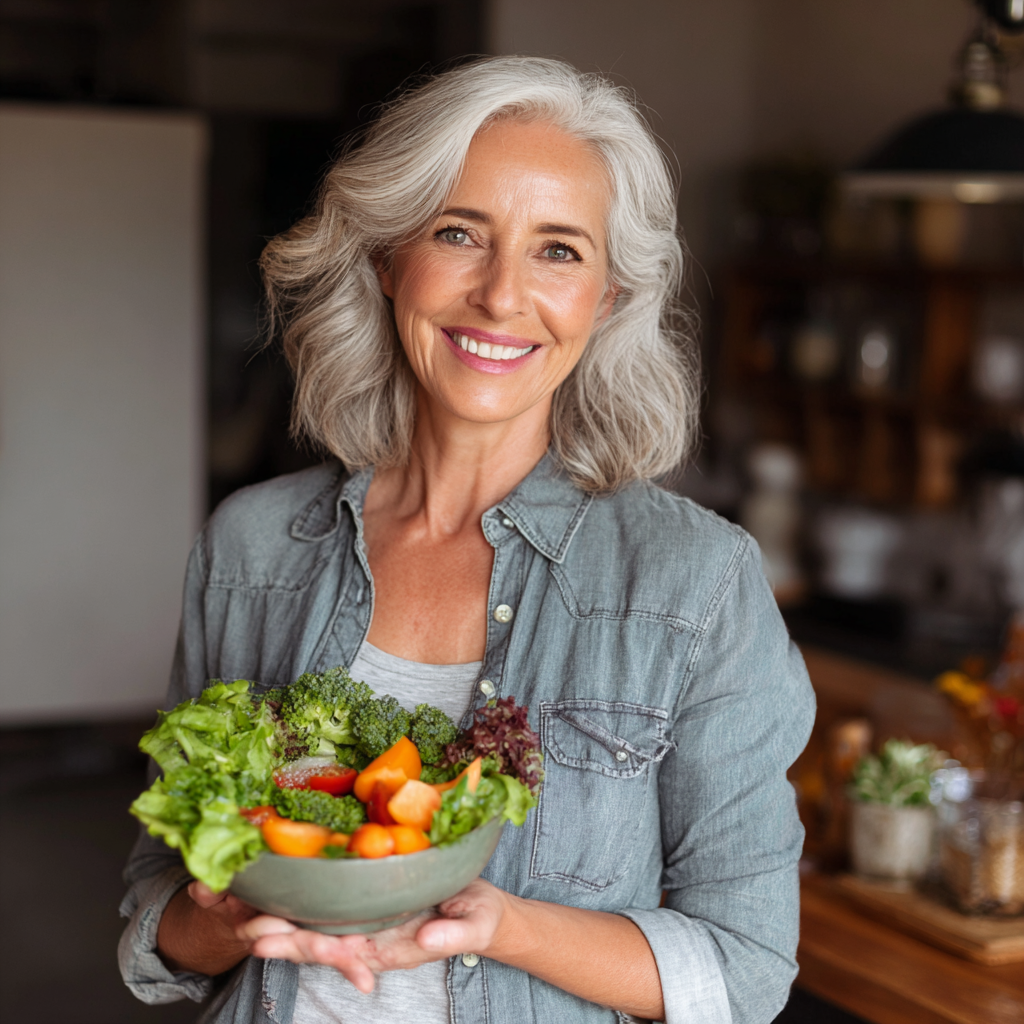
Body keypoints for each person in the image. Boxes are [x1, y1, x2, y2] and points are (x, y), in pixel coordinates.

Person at [119, 56, 815, 1024]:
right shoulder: (255, 545)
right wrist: (234, 912)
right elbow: (158, 916)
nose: (499, 294)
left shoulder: (693, 580)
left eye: (558, 251)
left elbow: (742, 971)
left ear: (605, 299)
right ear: (385, 258)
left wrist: (495, 923)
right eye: (459, 233)